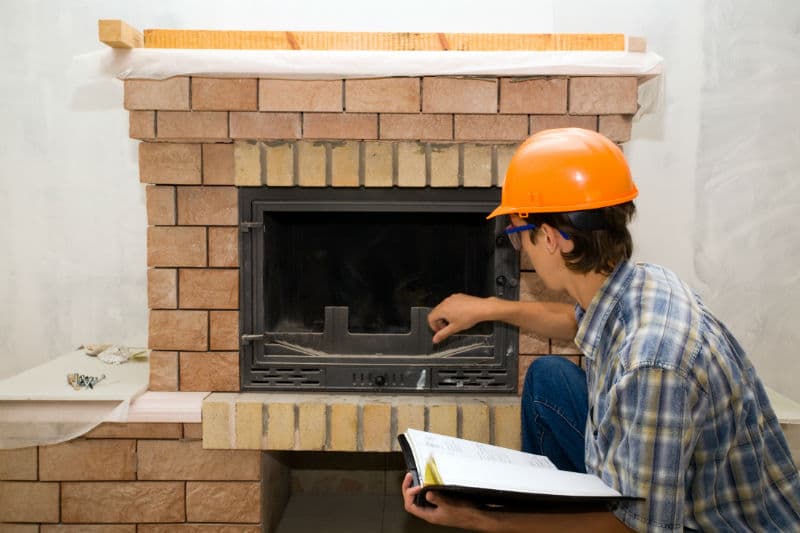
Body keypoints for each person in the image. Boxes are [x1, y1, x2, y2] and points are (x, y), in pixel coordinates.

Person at [401, 128, 800, 532]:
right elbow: (578, 321)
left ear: (554, 239)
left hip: (706, 524)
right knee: (550, 378)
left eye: (518, 234)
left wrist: (482, 518)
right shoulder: (640, 283)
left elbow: (639, 528)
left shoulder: (652, 365)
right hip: (683, 483)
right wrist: (487, 308)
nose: (518, 247)